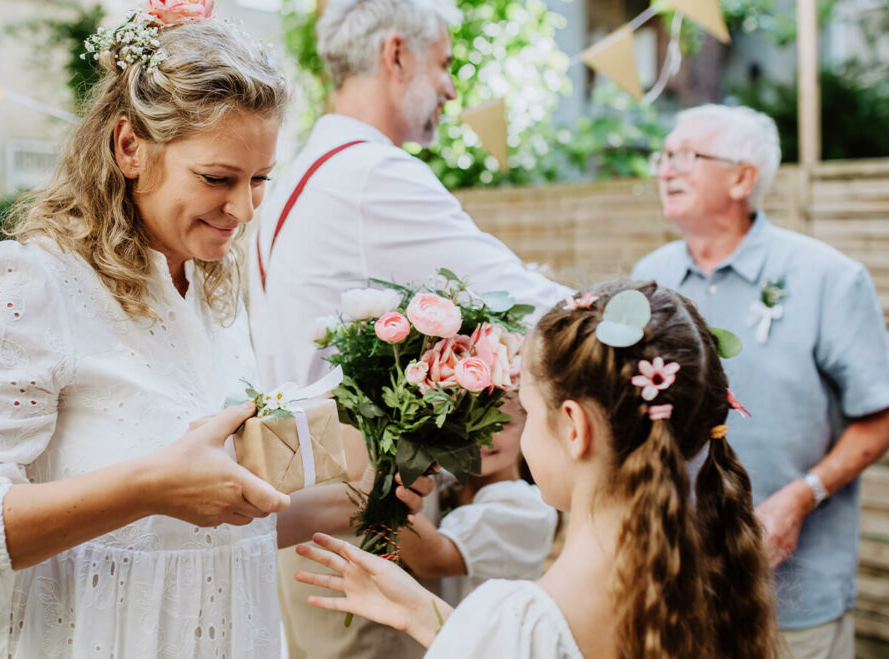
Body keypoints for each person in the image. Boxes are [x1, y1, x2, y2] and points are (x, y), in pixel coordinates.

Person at [0, 8, 430, 657]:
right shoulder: (30, 285)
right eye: (218, 178)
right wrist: (147, 487)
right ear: (129, 147)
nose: (244, 209)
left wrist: (365, 500)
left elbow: (207, 527)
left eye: (259, 181)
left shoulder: (210, 298)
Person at [247, 2, 571, 655]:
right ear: (395, 55)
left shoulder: (289, 180)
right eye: (444, 64)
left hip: (297, 520)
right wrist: (644, 328)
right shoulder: (372, 174)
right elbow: (526, 305)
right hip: (369, 535)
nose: (452, 88)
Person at [294, 281, 782, 658]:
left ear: (574, 428)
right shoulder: (709, 585)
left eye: (527, 409)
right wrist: (426, 614)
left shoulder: (517, 618)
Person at [632, 104, 889, 658]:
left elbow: (885, 419)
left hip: (794, 599)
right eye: (664, 156)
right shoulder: (647, 279)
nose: (665, 169)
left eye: (686, 156)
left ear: (742, 177)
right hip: (672, 586)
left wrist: (804, 496)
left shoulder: (829, 277)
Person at [396, 394, 558, 606]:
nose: (483, 437)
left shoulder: (529, 508)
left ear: (528, 426)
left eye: (501, 423)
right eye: (467, 420)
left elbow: (432, 561)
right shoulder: (444, 481)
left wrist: (387, 484)